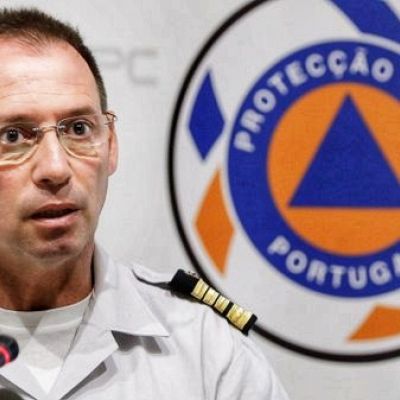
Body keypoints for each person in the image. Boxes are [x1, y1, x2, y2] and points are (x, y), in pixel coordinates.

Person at [0, 7, 289, 400]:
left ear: (111, 145)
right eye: (14, 136)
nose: (56, 168)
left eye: (79, 129)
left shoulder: (206, 349)